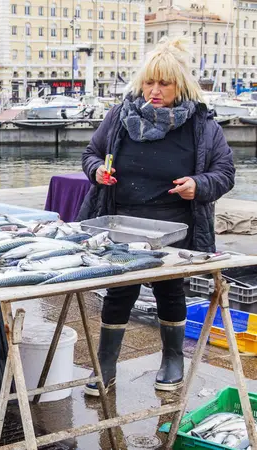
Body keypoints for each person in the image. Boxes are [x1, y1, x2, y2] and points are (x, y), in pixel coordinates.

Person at [78, 37, 235, 396]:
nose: (155, 90)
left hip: (175, 227)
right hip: (121, 222)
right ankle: (105, 363)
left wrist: (199, 184)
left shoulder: (201, 125)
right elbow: (92, 153)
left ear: (180, 85)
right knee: (119, 293)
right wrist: (97, 172)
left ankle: (172, 359)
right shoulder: (119, 117)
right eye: (150, 82)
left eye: (164, 83)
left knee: (170, 292)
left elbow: (224, 172)